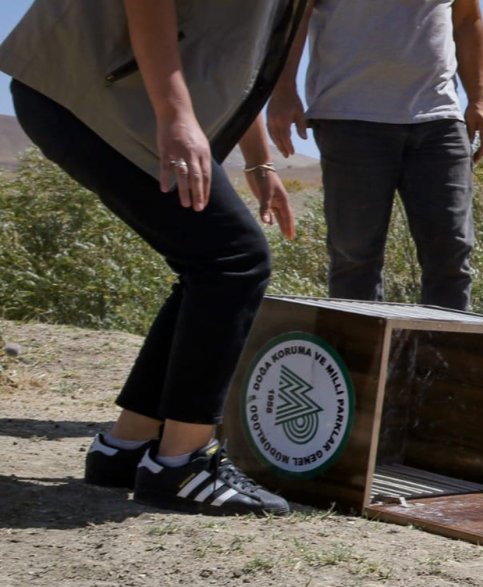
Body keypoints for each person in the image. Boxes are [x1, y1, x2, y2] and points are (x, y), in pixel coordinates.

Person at [0, 0, 308, 516]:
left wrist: (257, 160)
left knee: (212, 261)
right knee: (233, 259)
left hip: (100, 92)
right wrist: (175, 114)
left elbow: (240, 53)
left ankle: (128, 447)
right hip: (97, 90)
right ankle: (182, 463)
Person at [268, 0, 483, 310]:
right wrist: (282, 89)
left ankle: (443, 355)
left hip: (439, 118)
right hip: (349, 116)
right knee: (355, 257)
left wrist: (478, 100)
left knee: (451, 252)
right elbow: (296, 13)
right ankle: (358, 356)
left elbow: (467, 18)